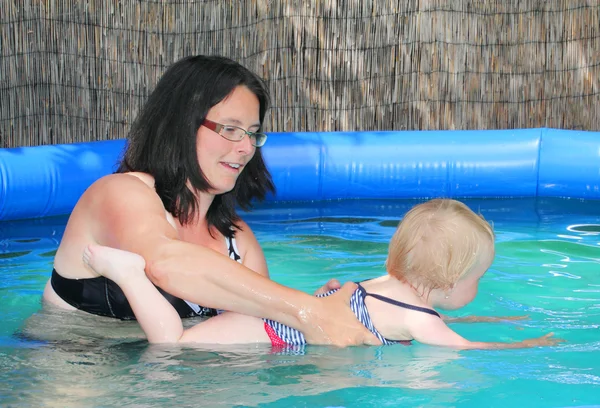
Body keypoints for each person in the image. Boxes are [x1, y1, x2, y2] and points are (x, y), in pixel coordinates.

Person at [41, 55, 378, 347]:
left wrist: (307, 322)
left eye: (252, 133)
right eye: (230, 129)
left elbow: (250, 338)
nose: (246, 148)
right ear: (182, 127)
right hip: (74, 377)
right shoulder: (117, 193)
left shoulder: (238, 241)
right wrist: (306, 311)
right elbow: (164, 262)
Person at [82, 199, 563, 349]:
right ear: (446, 282)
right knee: (170, 343)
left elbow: (438, 323)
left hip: (270, 318)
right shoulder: (423, 321)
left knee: (187, 335)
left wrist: (494, 322)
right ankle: (128, 275)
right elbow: (463, 348)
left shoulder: (388, 283)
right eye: (477, 276)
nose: (480, 288)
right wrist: (526, 345)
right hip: (270, 336)